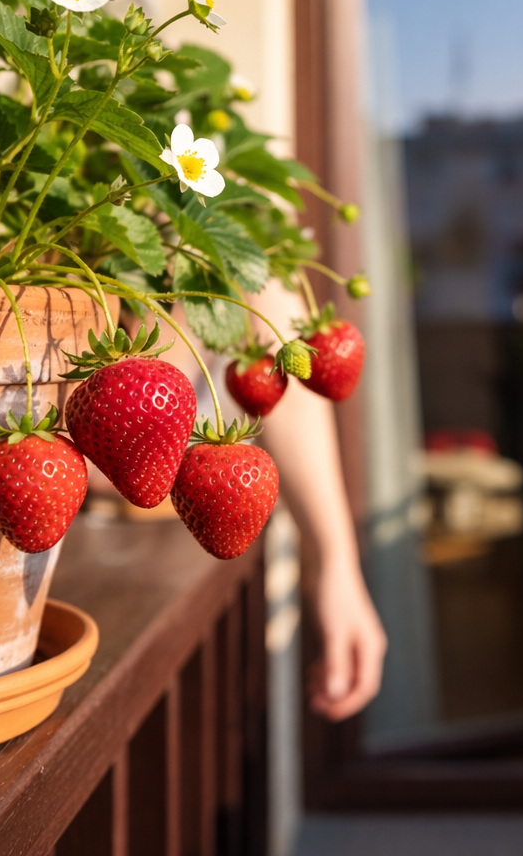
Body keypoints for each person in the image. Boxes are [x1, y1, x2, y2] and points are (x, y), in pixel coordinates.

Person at [107, 278, 387, 721]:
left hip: (155, 581)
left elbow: (284, 380)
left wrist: (336, 566)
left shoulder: (229, 264)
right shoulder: (175, 257)